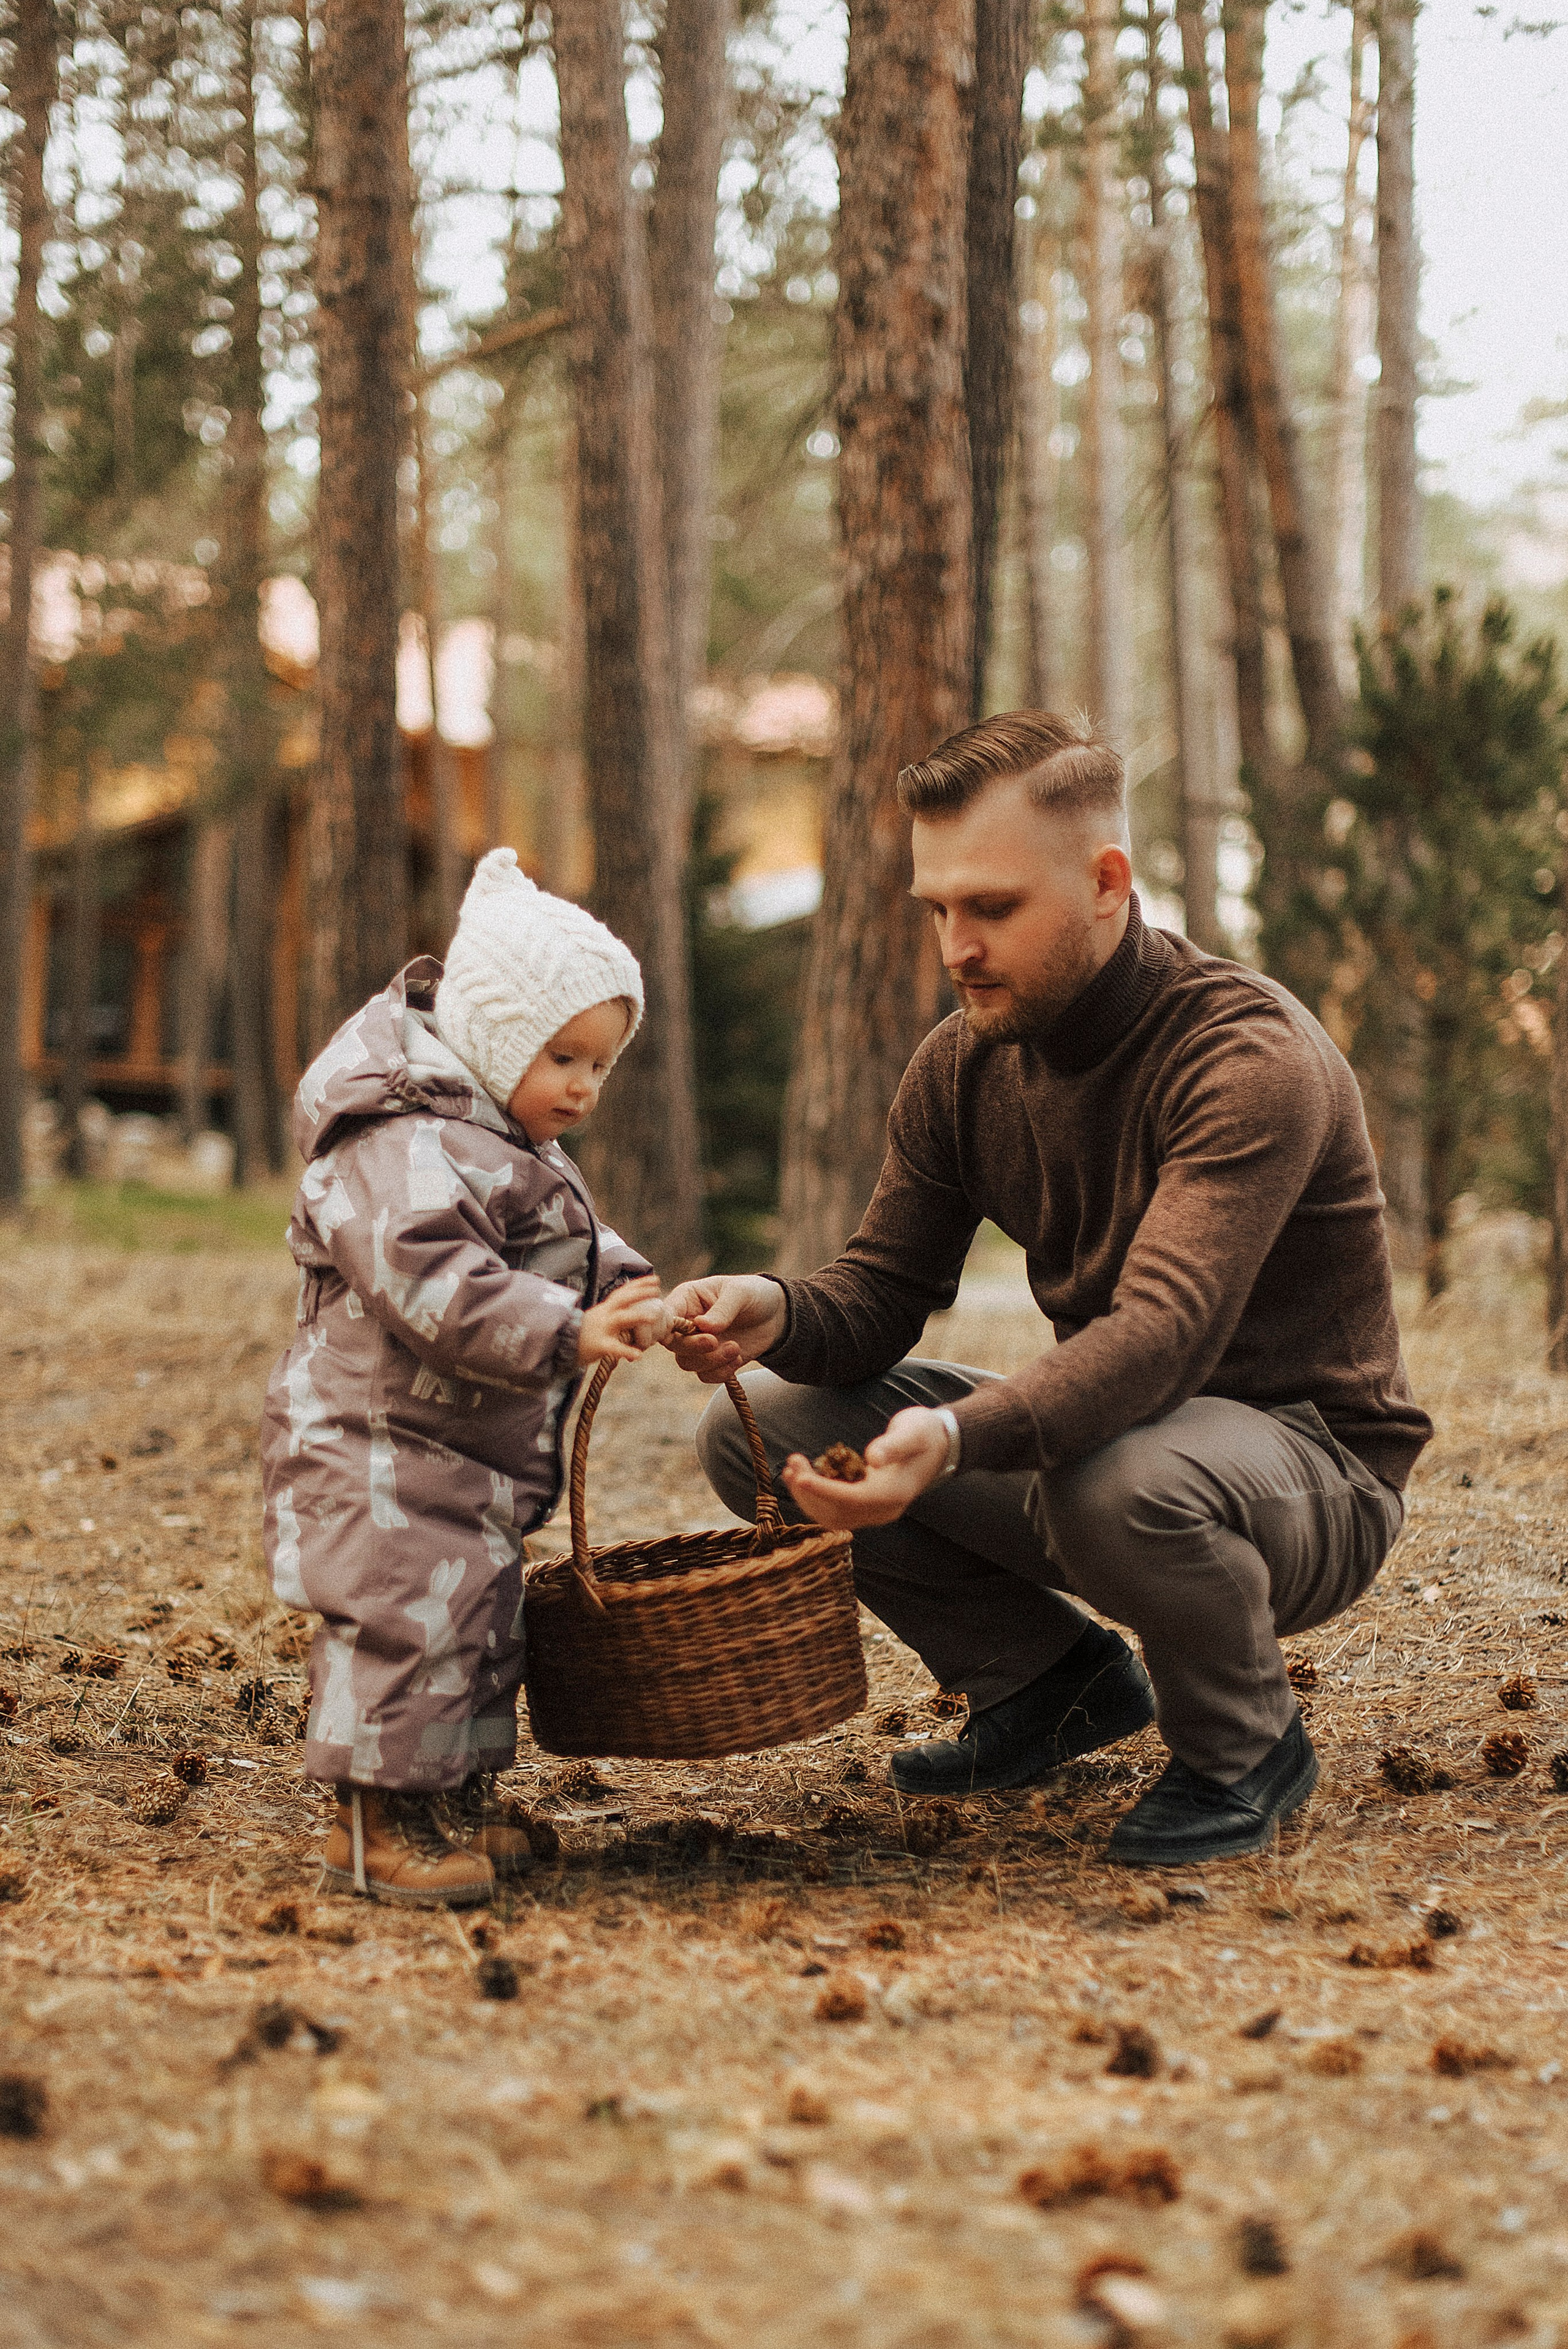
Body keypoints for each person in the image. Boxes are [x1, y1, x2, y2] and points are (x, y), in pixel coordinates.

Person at [669, 711, 1431, 1868]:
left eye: (994, 909)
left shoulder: (1245, 1056)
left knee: (1110, 1478)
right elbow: (879, 1295)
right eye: (938, 910)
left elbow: (1163, 1337)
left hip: (1307, 1473)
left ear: (1107, 882)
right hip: (1112, 1454)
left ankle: (1245, 1749)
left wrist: (959, 1433)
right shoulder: (962, 1067)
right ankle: (1045, 1685)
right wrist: (774, 1311)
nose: (956, 948)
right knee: (766, 1433)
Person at [261, 850, 666, 1907]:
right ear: (492, 1035)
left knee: (481, 1621)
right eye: (563, 1056)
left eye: (600, 1066)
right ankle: (372, 1827)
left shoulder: (498, 1137)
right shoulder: (398, 1142)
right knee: (405, 1622)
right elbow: (429, 1281)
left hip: (462, 1446)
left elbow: (556, 1243)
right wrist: (570, 1332)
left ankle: (449, 1801)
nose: (583, 1086)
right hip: (379, 1447)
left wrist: (629, 1289)